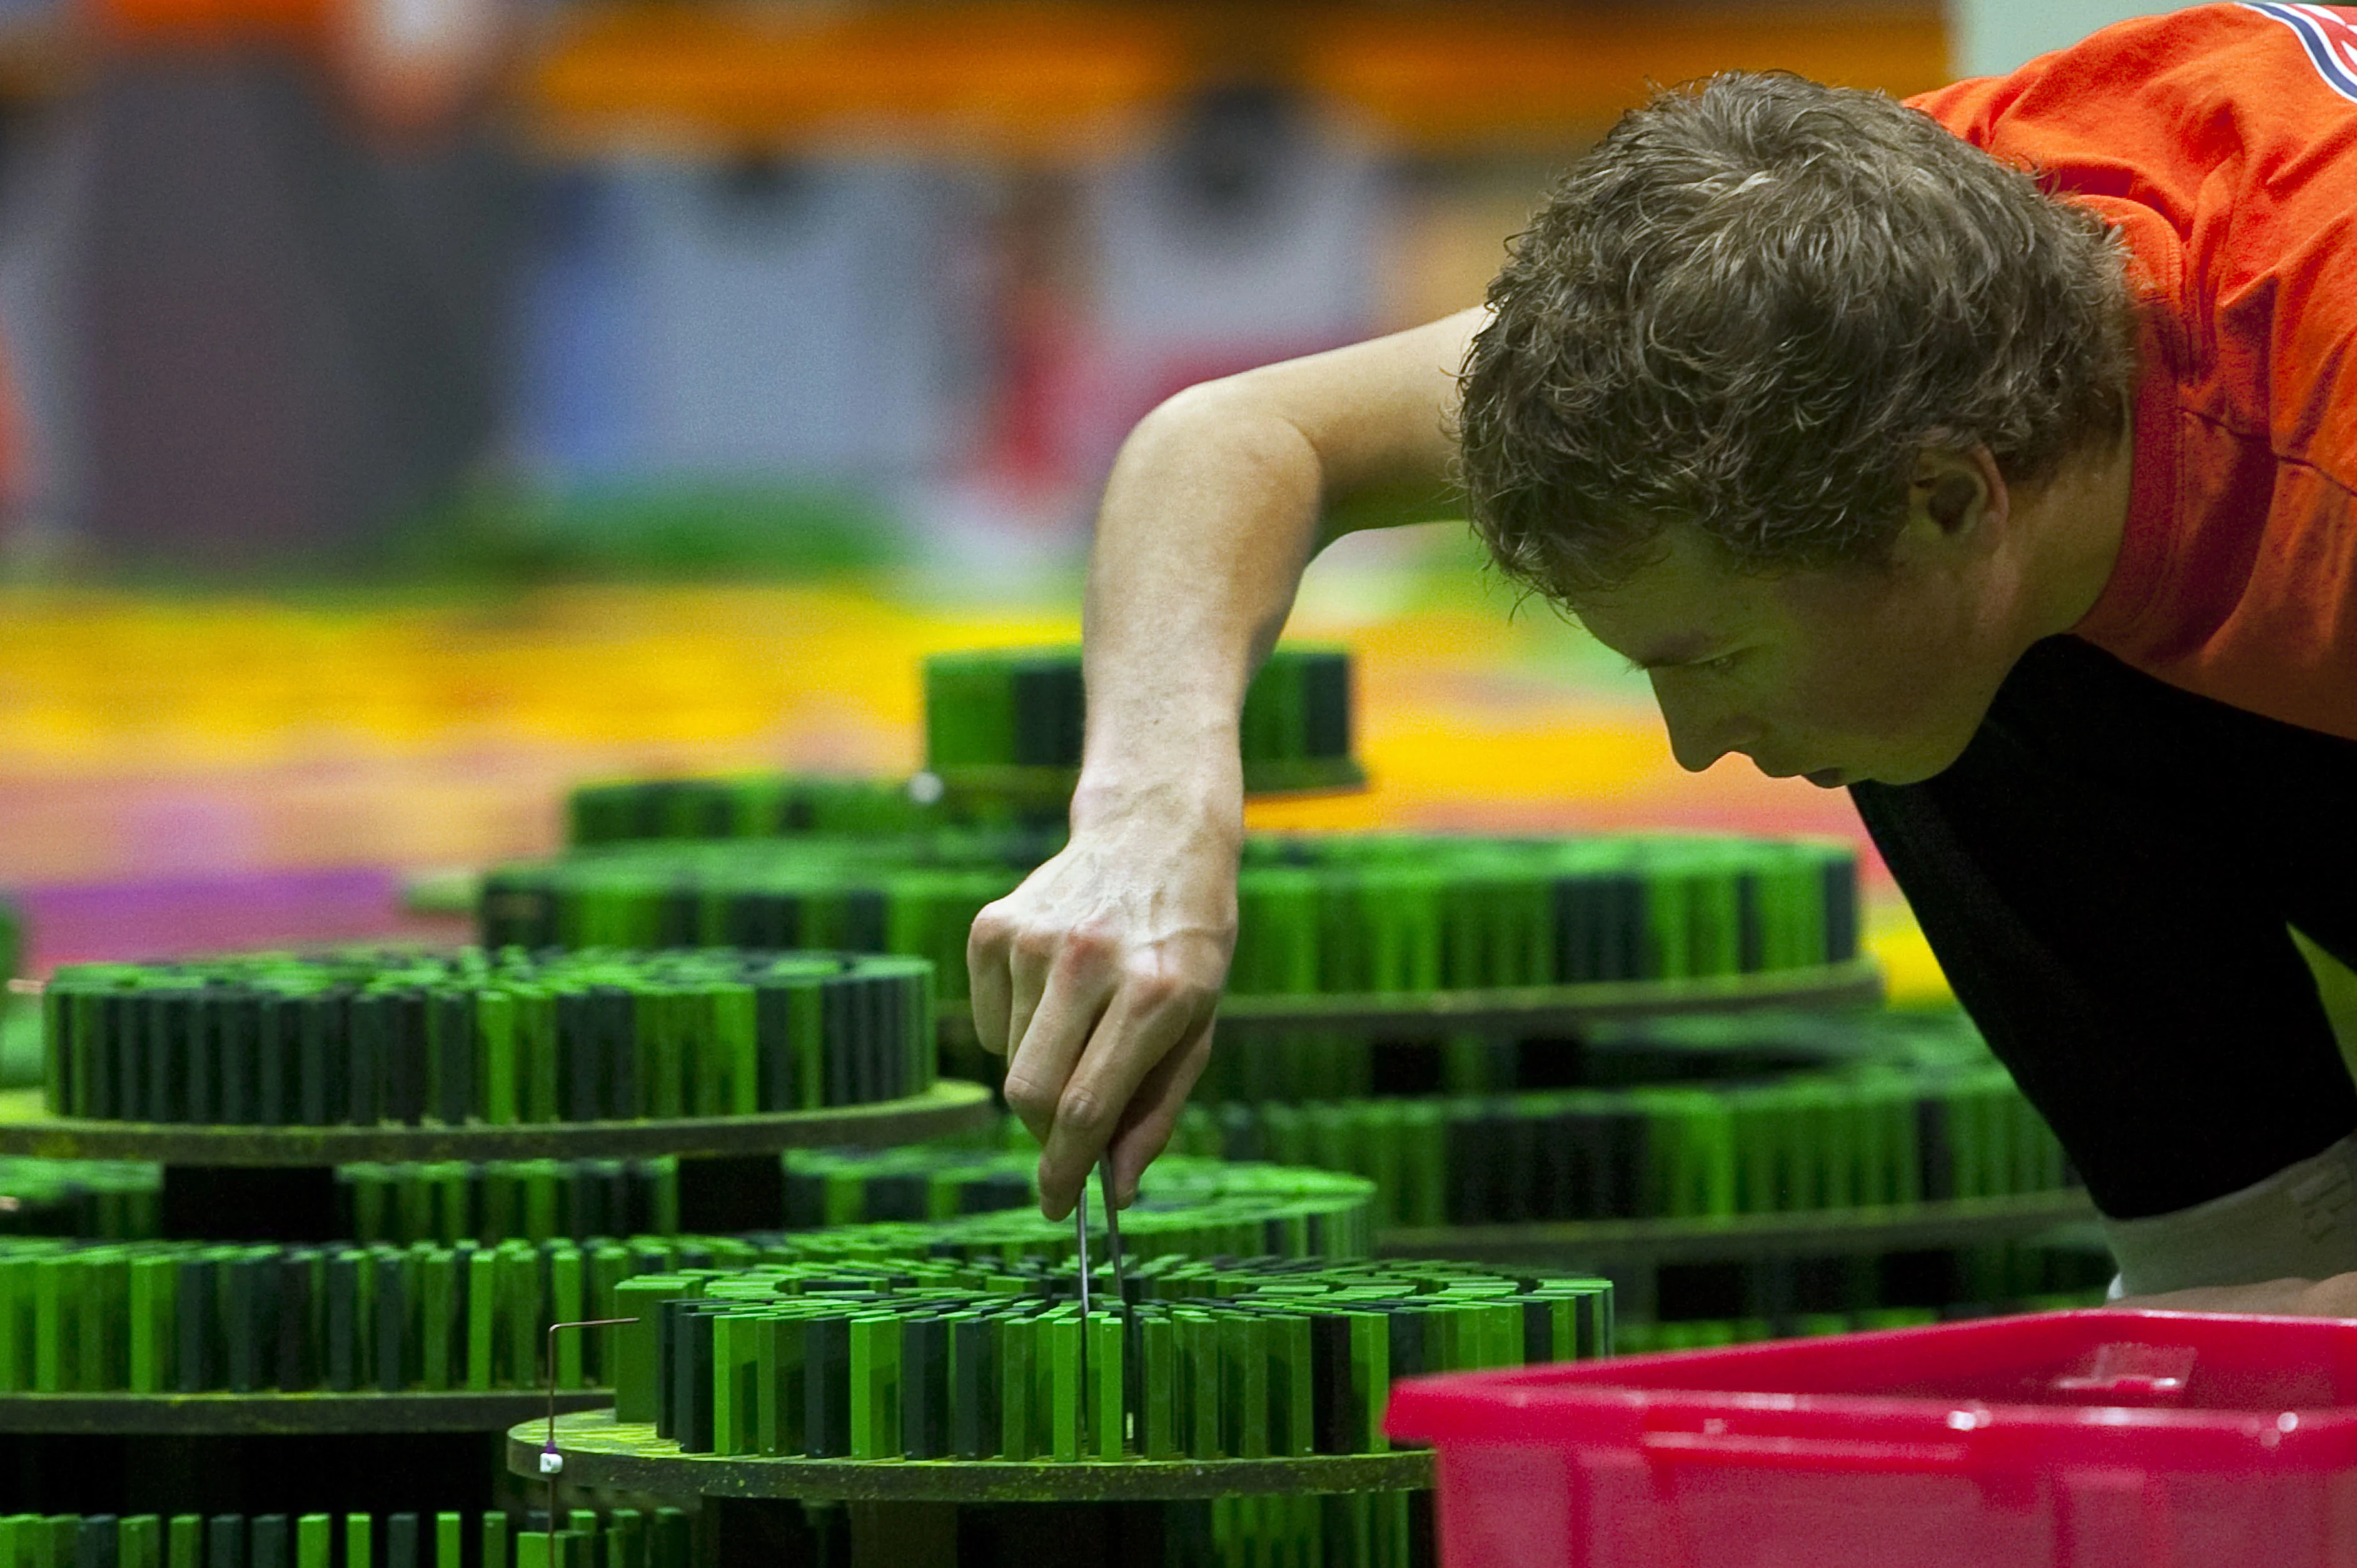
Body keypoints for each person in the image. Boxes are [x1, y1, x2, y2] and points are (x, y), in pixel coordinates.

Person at [964, 3, 2357, 1311]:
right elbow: (1237, 438)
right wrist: (1152, 817)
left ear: (1944, 497)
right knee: (1917, 676)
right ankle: (2247, 1278)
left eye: (1709, 655)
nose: (1691, 745)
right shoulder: (1863, 272)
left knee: (1896, 668)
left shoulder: (2316, 438)